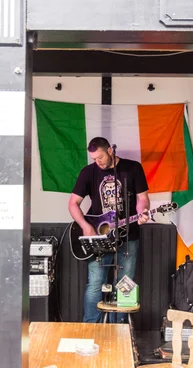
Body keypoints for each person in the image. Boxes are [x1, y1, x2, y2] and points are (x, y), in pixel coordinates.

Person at [68, 137, 150, 323]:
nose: (98, 162)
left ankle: (119, 329)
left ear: (110, 151)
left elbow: (142, 199)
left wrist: (142, 212)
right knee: (95, 284)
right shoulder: (88, 172)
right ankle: (92, 328)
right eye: (94, 159)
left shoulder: (133, 168)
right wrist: (85, 226)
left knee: (124, 283)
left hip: (128, 235)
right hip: (98, 236)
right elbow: (73, 203)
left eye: (100, 157)